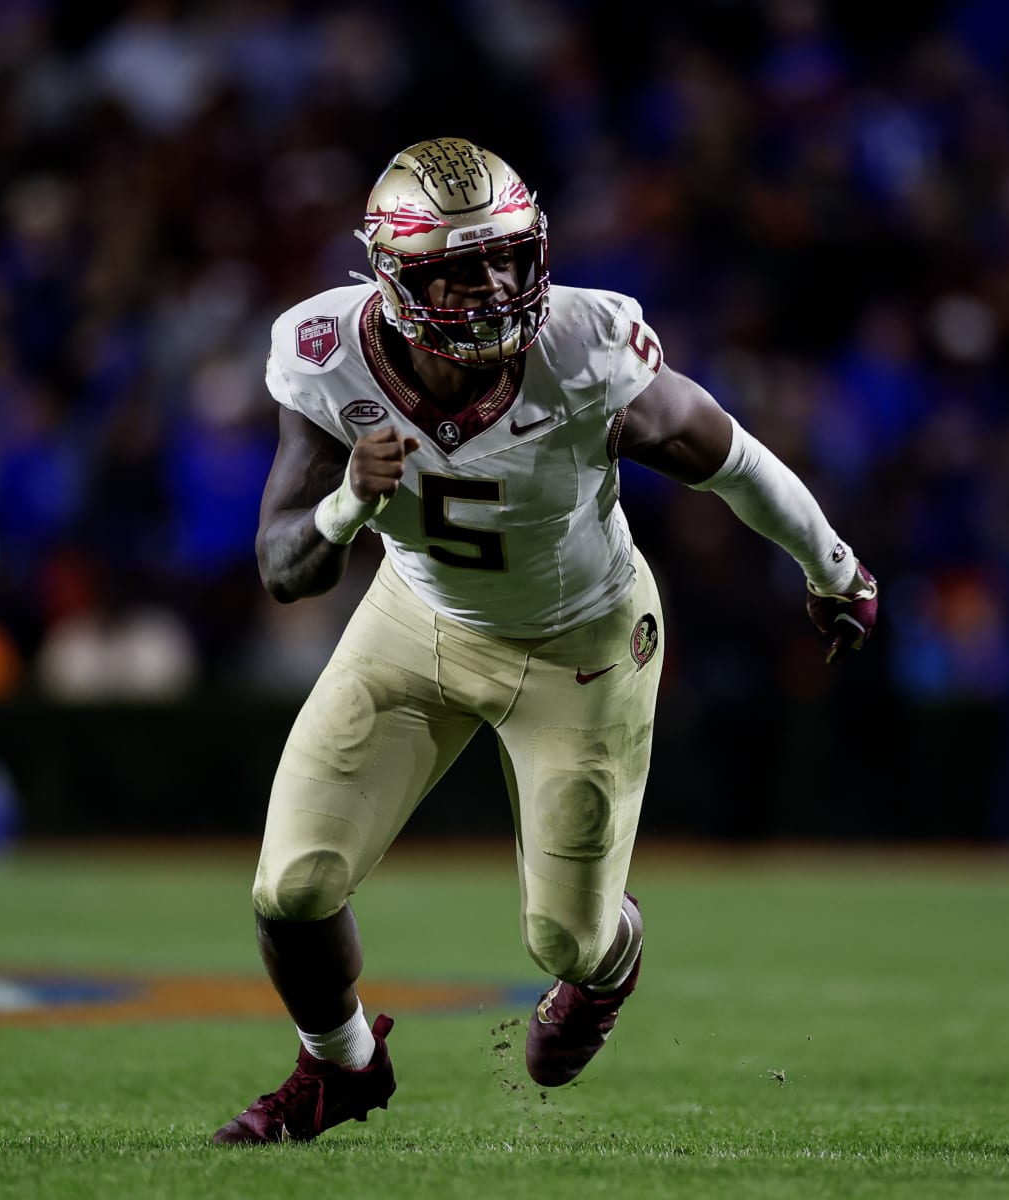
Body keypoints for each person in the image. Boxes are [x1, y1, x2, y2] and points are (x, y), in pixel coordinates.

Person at [212, 138, 879, 1145]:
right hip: (418, 620)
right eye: (457, 268)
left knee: (566, 940)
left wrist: (835, 569)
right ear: (395, 279)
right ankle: (340, 1068)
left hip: (584, 647)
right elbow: (282, 565)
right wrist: (350, 501)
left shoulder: (584, 350)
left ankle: (610, 964)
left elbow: (730, 457)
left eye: (506, 258)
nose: (492, 287)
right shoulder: (326, 356)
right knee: (291, 886)